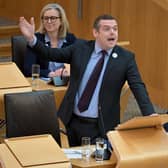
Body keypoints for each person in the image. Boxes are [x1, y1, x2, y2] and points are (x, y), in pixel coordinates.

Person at [19, 14, 156, 147]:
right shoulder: (80, 48)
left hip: (100, 126)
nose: (112, 33)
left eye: (115, 28)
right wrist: (32, 39)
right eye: (107, 29)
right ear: (95, 32)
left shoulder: (125, 58)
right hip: (72, 121)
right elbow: (52, 54)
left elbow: (138, 87)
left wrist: (150, 115)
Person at [24, 3, 76, 78]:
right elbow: (28, 69)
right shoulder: (35, 40)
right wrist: (51, 74)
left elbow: (78, 65)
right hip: (43, 84)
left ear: (61, 20)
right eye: (46, 18)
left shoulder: (71, 39)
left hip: (66, 83)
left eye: (53, 18)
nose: (49, 21)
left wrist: (65, 72)